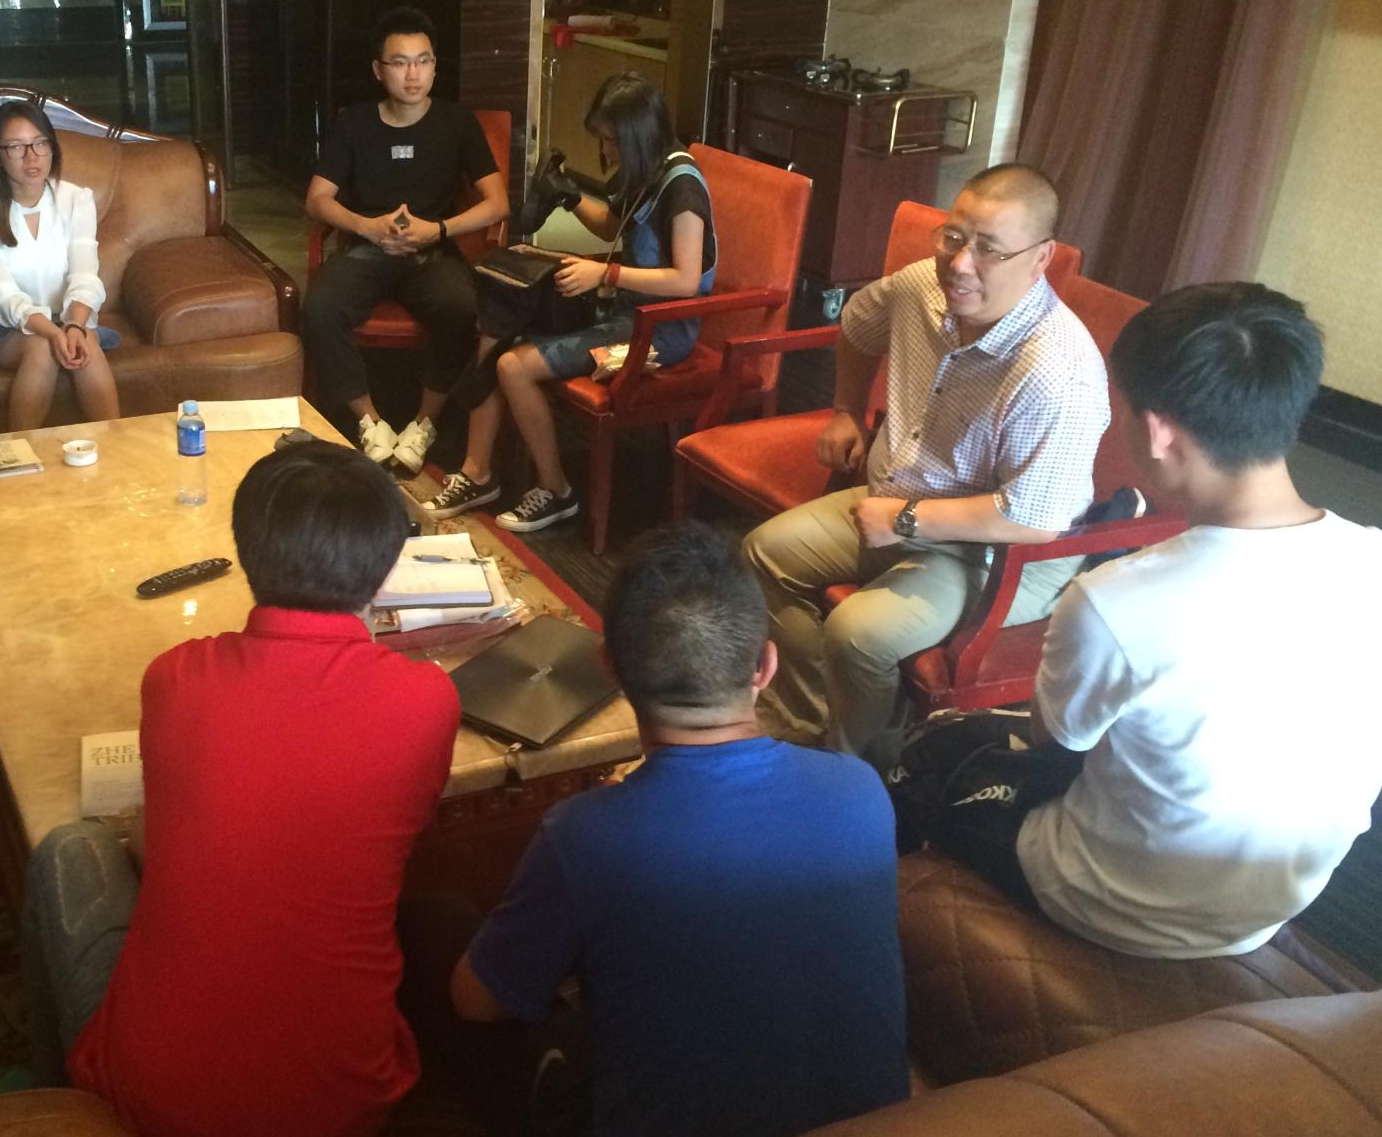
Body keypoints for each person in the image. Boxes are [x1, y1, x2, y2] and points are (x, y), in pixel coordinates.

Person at [22, 441, 460, 1137]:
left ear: (244, 551)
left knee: (68, 847)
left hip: (155, 1120)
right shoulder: (429, 701)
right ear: (387, 566)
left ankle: (48, 1103)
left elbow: (155, 847)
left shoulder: (174, 678)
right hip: (341, 1117)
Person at [906, 283, 1382, 959]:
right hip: (1277, 903)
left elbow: (1053, 741)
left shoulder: (1115, 601)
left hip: (1109, 899)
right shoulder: (1372, 556)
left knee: (923, 756)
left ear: (1157, 431)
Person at [438, 522, 908, 1137]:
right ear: (766, 666)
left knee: (432, 923)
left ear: (608, 667)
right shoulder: (859, 789)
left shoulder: (584, 835)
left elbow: (476, 1002)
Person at [744, 163, 1107, 766]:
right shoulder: (922, 286)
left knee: (858, 633)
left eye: (989, 249)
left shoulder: (1057, 371)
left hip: (997, 552)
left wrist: (904, 519)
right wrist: (845, 411)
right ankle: (814, 723)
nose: (961, 263)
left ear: (1040, 258)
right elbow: (858, 324)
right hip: (899, 499)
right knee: (764, 553)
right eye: (954, 237)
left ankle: (861, 769)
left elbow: (1034, 519)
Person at [423, 72, 715, 533]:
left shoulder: (682, 187)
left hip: (660, 330)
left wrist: (605, 274)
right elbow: (610, 225)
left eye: (612, 141)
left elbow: (686, 280)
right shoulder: (644, 167)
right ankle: (477, 473)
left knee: (513, 367)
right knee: (499, 323)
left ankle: (557, 491)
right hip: (621, 308)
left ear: (637, 135)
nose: (606, 151)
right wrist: (569, 196)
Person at [302, 6, 509, 473]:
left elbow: (498, 203)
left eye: (422, 61)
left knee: (462, 307)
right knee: (320, 307)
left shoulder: (456, 122)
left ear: (435, 66)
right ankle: (370, 422)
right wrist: (365, 226)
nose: (412, 74)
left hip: (431, 251)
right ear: (379, 70)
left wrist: (439, 229)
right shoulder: (354, 123)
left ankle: (423, 424)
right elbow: (317, 199)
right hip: (367, 248)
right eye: (400, 63)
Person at [0, 101, 122, 430]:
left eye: (40, 143)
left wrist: (74, 327)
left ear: (52, 147)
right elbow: (1, 293)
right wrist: (52, 331)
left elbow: (85, 275)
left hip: (68, 317)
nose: (31, 157)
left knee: (86, 344)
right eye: (16, 147)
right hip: (3, 324)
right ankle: (20, 454)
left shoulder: (76, 200)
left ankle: (115, 446)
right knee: (42, 347)